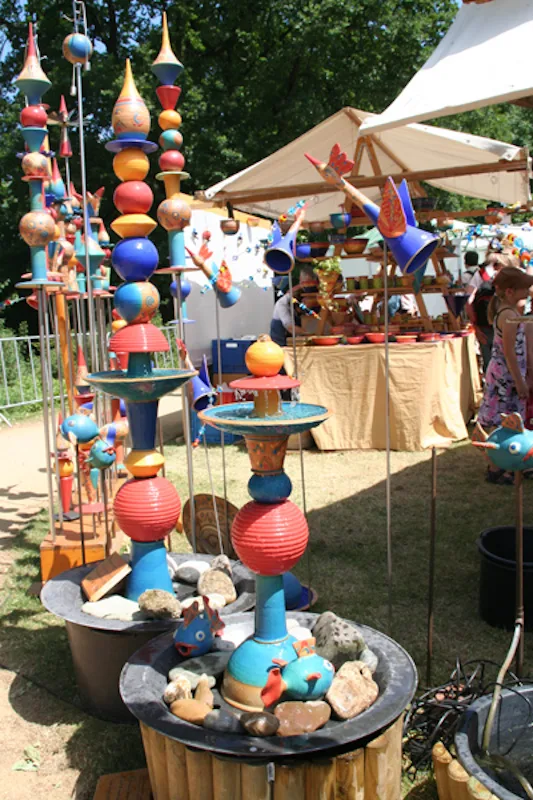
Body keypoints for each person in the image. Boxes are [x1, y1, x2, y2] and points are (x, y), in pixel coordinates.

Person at [477, 266, 533, 484]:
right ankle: (498, 467)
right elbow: (509, 351)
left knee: (508, 422)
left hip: (507, 375)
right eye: (524, 289)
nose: (528, 292)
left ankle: (503, 466)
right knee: (505, 422)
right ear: (510, 292)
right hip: (506, 377)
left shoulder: (510, 313)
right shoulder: (508, 315)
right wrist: (520, 381)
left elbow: (525, 325)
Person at [466, 253, 513, 371]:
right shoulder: (510, 275)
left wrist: (475, 326)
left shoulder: (480, 275)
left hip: (485, 326)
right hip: (503, 325)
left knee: (490, 365)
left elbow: (468, 300)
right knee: (507, 364)